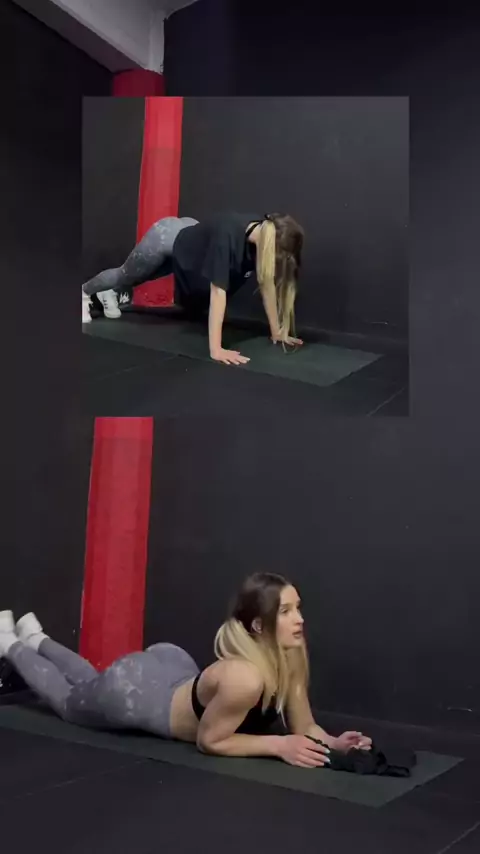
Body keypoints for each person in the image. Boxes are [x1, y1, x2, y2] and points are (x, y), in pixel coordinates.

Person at [0, 573, 371, 768]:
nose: (299, 619)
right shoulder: (246, 678)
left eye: (298, 607)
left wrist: (333, 742)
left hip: (172, 671)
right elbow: (210, 741)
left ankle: (37, 638)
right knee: (69, 702)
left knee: (87, 682)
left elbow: (304, 727)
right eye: (286, 611)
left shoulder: (290, 658)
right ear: (259, 626)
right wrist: (278, 744)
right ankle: (10, 643)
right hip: (139, 695)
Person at [82, 213, 305, 366]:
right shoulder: (228, 238)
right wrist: (216, 349)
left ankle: (108, 293)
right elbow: (218, 292)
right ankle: (83, 293)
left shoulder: (263, 234)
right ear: (272, 245)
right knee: (125, 275)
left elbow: (266, 285)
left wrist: (277, 332)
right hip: (166, 239)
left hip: (191, 243)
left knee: (138, 279)